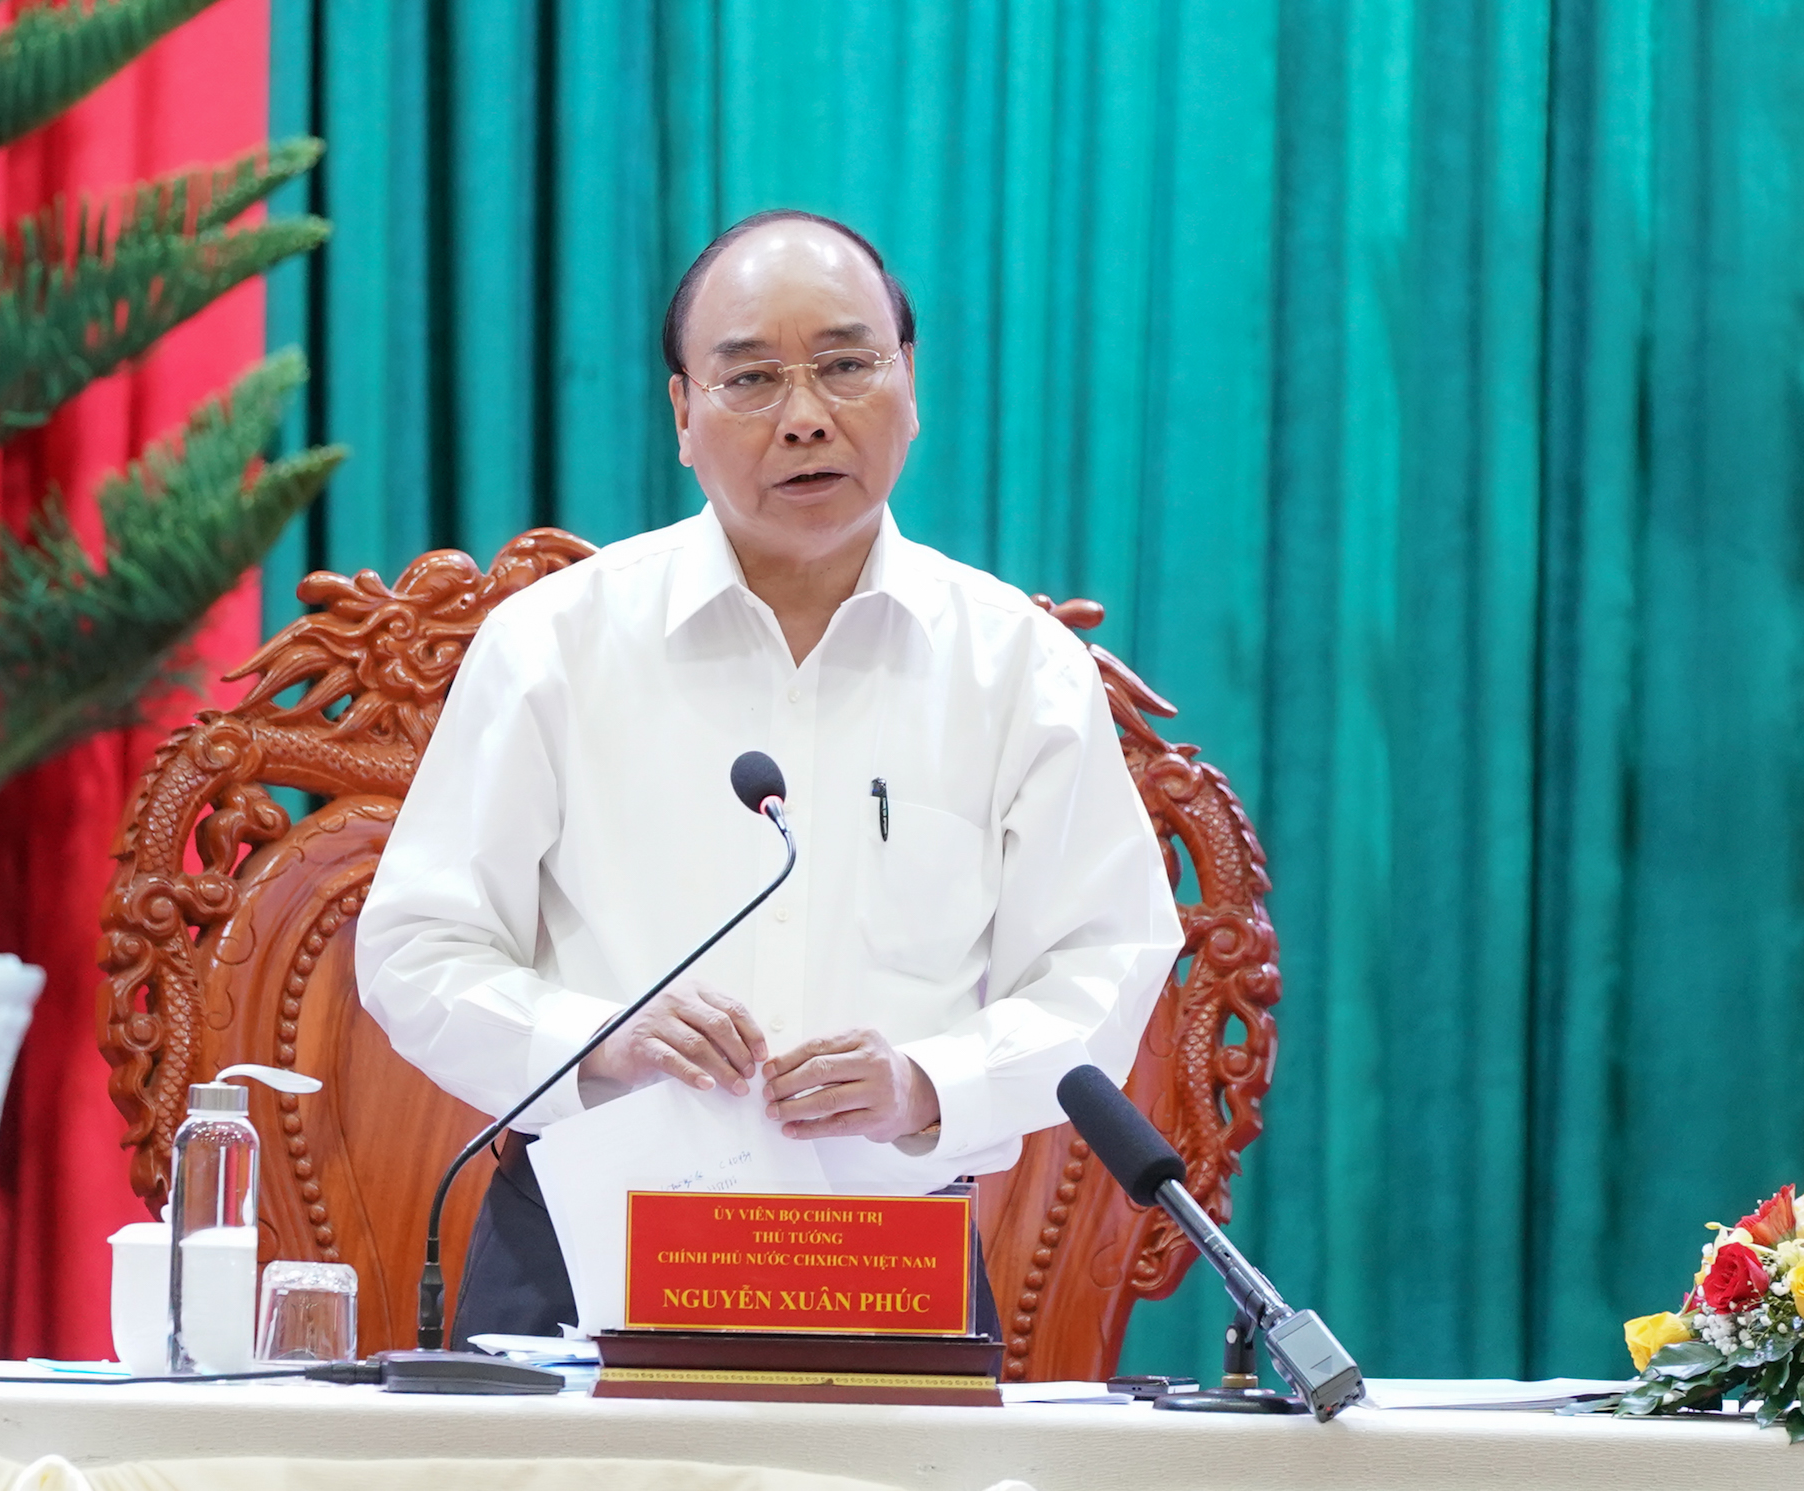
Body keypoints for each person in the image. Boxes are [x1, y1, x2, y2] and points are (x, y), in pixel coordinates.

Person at [354, 209, 1183, 1345]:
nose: (805, 418)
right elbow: (414, 949)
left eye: (846, 366)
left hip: (886, 1267)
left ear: (909, 384)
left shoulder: (1018, 666)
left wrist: (927, 1082)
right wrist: (602, 1039)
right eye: (749, 379)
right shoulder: (553, 644)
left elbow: (1104, 963)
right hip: (585, 1259)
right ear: (681, 415)